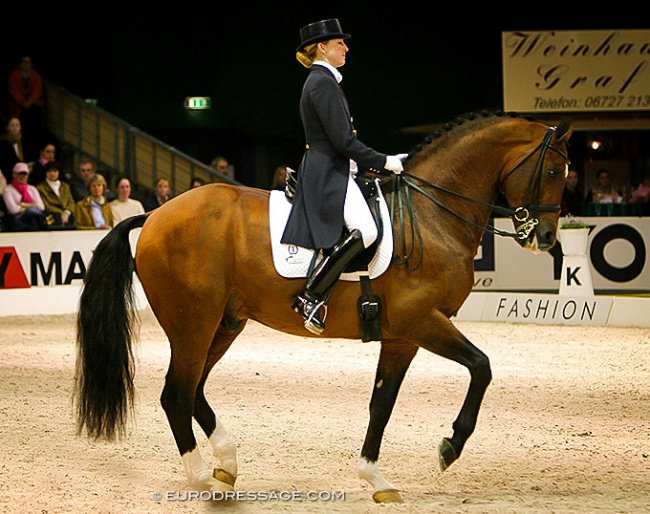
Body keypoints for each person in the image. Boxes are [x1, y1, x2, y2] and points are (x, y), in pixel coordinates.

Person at [280, 18, 407, 335]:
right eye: (340, 43)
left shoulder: (325, 81)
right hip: (327, 172)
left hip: (335, 167)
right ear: (322, 47)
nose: (346, 48)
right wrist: (385, 161)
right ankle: (311, 296)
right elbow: (343, 142)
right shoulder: (322, 82)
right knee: (365, 230)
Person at [6, 55, 43, 147]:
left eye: (28, 62)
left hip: (31, 109)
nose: (26, 65)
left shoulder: (36, 77)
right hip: (17, 109)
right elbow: (14, 92)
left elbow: (37, 92)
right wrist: (23, 102)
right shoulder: (14, 76)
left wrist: (30, 102)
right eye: (24, 62)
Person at [2, 162, 46, 231]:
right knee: (32, 210)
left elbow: (41, 207)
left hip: (34, 217)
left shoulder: (32, 188)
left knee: (32, 213)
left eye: (25, 174)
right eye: (20, 174)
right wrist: (32, 206)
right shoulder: (8, 190)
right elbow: (14, 210)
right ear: (14, 175)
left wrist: (22, 204)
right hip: (17, 219)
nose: (22, 177)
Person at [36, 161, 76, 227]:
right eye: (49, 171)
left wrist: (67, 212)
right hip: (52, 217)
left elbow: (71, 202)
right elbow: (45, 204)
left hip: (68, 216)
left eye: (55, 171)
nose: (52, 173)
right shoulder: (40, 187)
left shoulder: (65, 186)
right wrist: (61, 213)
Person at [0, 118, 26, 183]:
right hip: (9, 175)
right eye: (12, 125)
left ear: (20, 127)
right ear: (7, 127)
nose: (15, 128)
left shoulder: (24, 142)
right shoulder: (3, 143)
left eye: (17, 125)